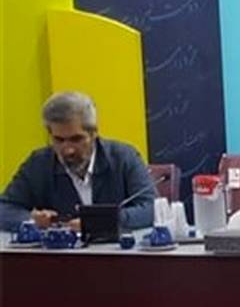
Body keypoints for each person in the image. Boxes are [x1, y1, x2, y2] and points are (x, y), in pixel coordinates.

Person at [0, 91, 156, 233]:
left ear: (93, 133)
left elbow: (151, 209)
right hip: (61, 254)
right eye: (59, 140)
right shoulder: (39, 163)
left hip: (115, 252)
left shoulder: (123, 157)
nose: (68, 150)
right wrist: (31, 219)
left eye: (76, 139)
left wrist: (99, 222)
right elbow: (4, 208)